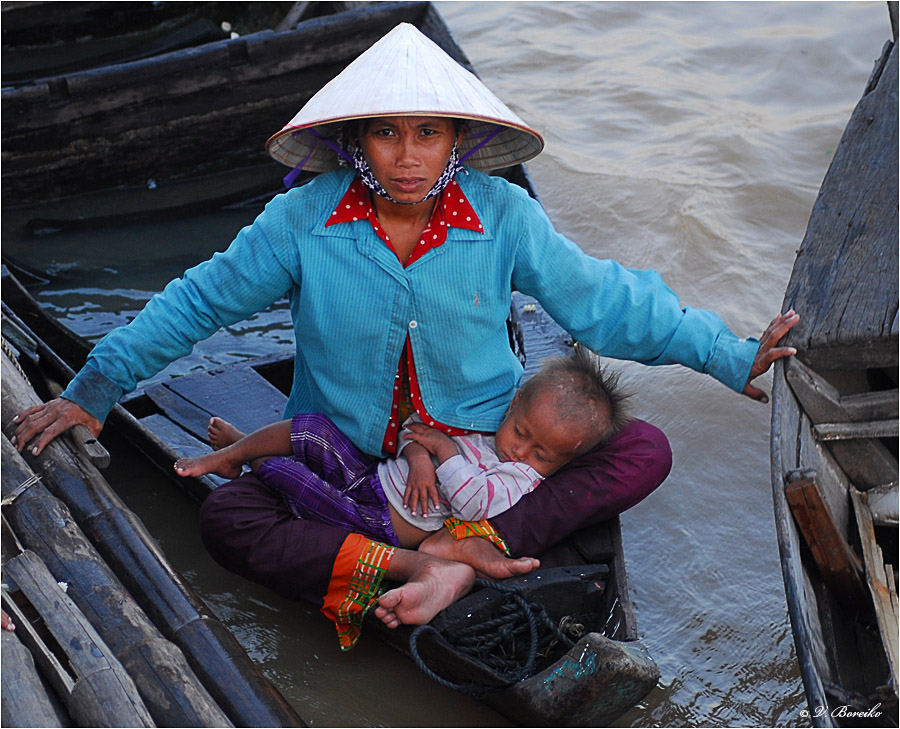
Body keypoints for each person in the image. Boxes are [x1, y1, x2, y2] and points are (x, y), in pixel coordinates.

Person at [11, 23, 798, 649]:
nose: (409, 156)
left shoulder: (503, 215)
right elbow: (197, 303)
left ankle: (470, 549)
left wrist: (726, 354)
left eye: (429, 132)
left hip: (483, 455)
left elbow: (606, 302)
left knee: (644, 447)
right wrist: (95, 388)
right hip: (354, 461)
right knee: (228, 520)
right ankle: (423, 561)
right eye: (387, 133)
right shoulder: (301, 219)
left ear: (457, 138)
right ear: (357, 140)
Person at [174, 350, 629, 552]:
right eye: (522, 432)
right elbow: (414, 430)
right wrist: (418, 459)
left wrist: (444, 455)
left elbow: (474, 506)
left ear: (565, 462)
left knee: (293, 479)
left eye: (544, 454)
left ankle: (251, 456)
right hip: (373, 480)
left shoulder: (520, 479)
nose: (521, 452)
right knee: (312, 429)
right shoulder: (484, 429)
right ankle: (233, 453)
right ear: (512, 407)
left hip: (377, 523)